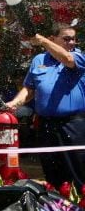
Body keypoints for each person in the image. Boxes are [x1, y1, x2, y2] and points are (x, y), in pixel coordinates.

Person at [5, 24, 85, 189]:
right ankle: (56, 210)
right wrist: (14, 103)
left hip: (73, 126)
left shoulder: (77, 57)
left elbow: (67, 60)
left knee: (78, 174)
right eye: (66, 39)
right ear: (53, 39)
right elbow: (30, 89)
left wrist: (40, 40)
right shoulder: (39, 60)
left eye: (73, 39)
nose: (72, 42)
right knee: (52, 172)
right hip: (46, 125)